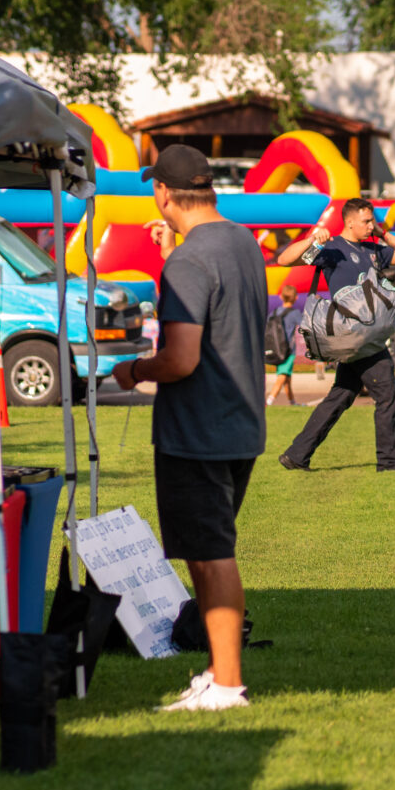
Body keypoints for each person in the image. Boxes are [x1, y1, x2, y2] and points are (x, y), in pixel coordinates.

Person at [107, 145, 269, 710]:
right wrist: (173, 256)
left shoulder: (189, 261)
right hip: (240, 421)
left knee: (210, 554)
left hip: (199, 427)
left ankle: (227, 685)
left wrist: (132, 370)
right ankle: (215, 671)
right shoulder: (243, 242)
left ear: (163, 193)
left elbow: (180, 358)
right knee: (209, 549)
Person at [275, 197, 395, 472]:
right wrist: (311, 239)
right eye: (366, 221)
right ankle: (389, 462)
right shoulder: (332, 249)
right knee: (387, 394)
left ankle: (296, 455)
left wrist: (382, 233)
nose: (370, 225)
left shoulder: (373, 249)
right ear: (349, 222)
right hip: (355, 335)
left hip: (363, 336)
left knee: (341, 395)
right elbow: (284, 260)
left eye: (372, 220)